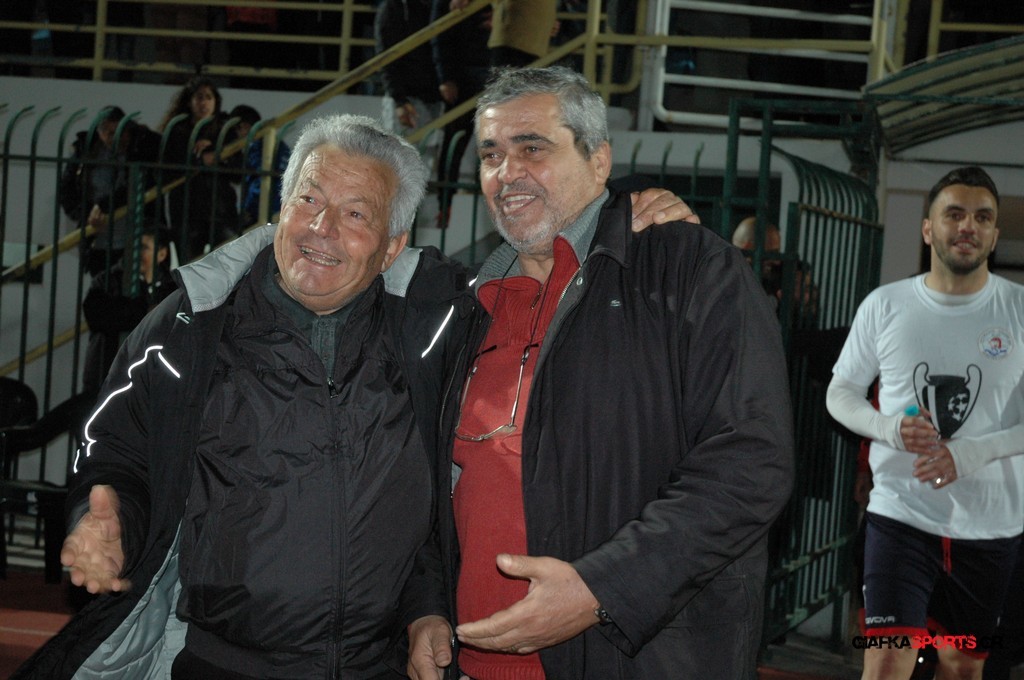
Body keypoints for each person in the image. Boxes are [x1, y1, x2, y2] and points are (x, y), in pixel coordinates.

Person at [13, 112, 693, 680]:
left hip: (382, 667)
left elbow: (545, 270)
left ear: (393, 246)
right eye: (308, 201)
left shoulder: (435, 322)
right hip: (221, 664)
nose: (322, 228)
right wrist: (103, 514)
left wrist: (630, 212)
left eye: (355, 213)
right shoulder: (191, 325)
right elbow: (115, 448)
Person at [408, 65, 794, 680]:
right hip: (473, 665)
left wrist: (602, 590)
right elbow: (430, 487)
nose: (507, 172)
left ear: (599, 161)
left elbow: (751, 460)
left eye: (532, 148)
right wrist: (426, 607)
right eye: (491, 154)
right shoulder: (466, 306)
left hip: (636, 658)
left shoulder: (689, 270)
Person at [826, 166, 1024, 680]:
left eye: (983, 217)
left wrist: (971, 453)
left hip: (990, 526)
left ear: (994, 235)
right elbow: (839, 394)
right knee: (887, 662)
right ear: (928, 229)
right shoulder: (886, 305)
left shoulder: (1019, 310)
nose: (968, 226)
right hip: (901, 517)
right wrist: (889, 428)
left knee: (960, 667)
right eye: (954, 214)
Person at [59, 105, 162, 276]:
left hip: (136, 236)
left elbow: (137, 185)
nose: (116, 137)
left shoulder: (141, 146)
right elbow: (67, 189)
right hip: (98, 240)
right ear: (99, 133)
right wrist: (86, 214)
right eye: (109, 132)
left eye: (121, 131)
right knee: (102, 286)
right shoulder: (86, 150)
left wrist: (103, 207)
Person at [81, 222, 178, 398]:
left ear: (162, 254)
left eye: (144, 248)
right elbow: (96, 315)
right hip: (107, 374)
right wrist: (143, 311)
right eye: (134, 247)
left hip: (151, 382)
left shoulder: (171, 290)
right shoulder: (108, 280)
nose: (137, 253)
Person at [374, 0, 445, 230]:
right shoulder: (393, 8)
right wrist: (399, 99)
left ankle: (406, 230)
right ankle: (393, 230)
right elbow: (386, 55)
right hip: (409, 99)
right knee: (399, 167)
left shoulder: (434, 6)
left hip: (433, 99)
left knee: (422, 170)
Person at [158, 75, 242, 262]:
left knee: (229, 265)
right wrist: (198, 159)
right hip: (187, 211)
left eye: (208, 97)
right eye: (199, 97)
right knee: (190, 266)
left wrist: (216, 154)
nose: (204, 103)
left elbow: (238, 170)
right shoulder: (177, 130)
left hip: (220, 210)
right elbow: (167, 169)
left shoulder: (225, 130)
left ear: (216, 101)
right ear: (189, 102)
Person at [431, 0, 491, 225]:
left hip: (493, 72)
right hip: (464, 75)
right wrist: (446, 77)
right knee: (454, 144)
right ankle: (444, 207)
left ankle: (453, 206)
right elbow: (440, 32)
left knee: (494, 145)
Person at [227, 104, 290, 228]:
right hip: (281, 208)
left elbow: (261, 181)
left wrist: (249, 210)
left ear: (244, 126)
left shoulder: (258, 148)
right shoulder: (275, 143)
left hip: (265, 211)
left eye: (235, 130)